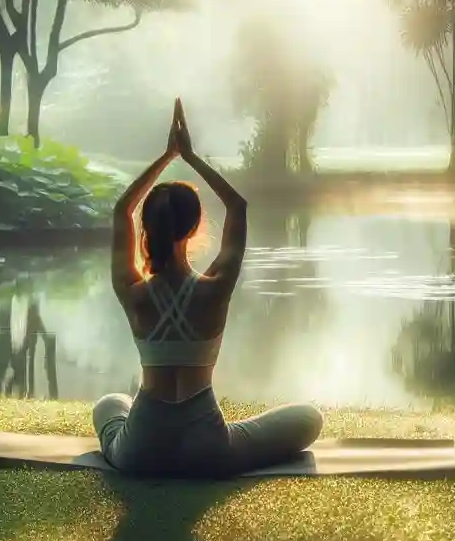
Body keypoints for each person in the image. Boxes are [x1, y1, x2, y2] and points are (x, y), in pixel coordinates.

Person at [93, 98, 324, 477]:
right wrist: (190, 156)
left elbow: (122, 210)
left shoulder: (133, 292)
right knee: (309, 418)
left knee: (109, 404)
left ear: (147, 229)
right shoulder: (214, 289)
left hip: (141, 450)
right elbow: (237, 206)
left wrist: (167, 156)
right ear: (194, 227)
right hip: (209, 448)